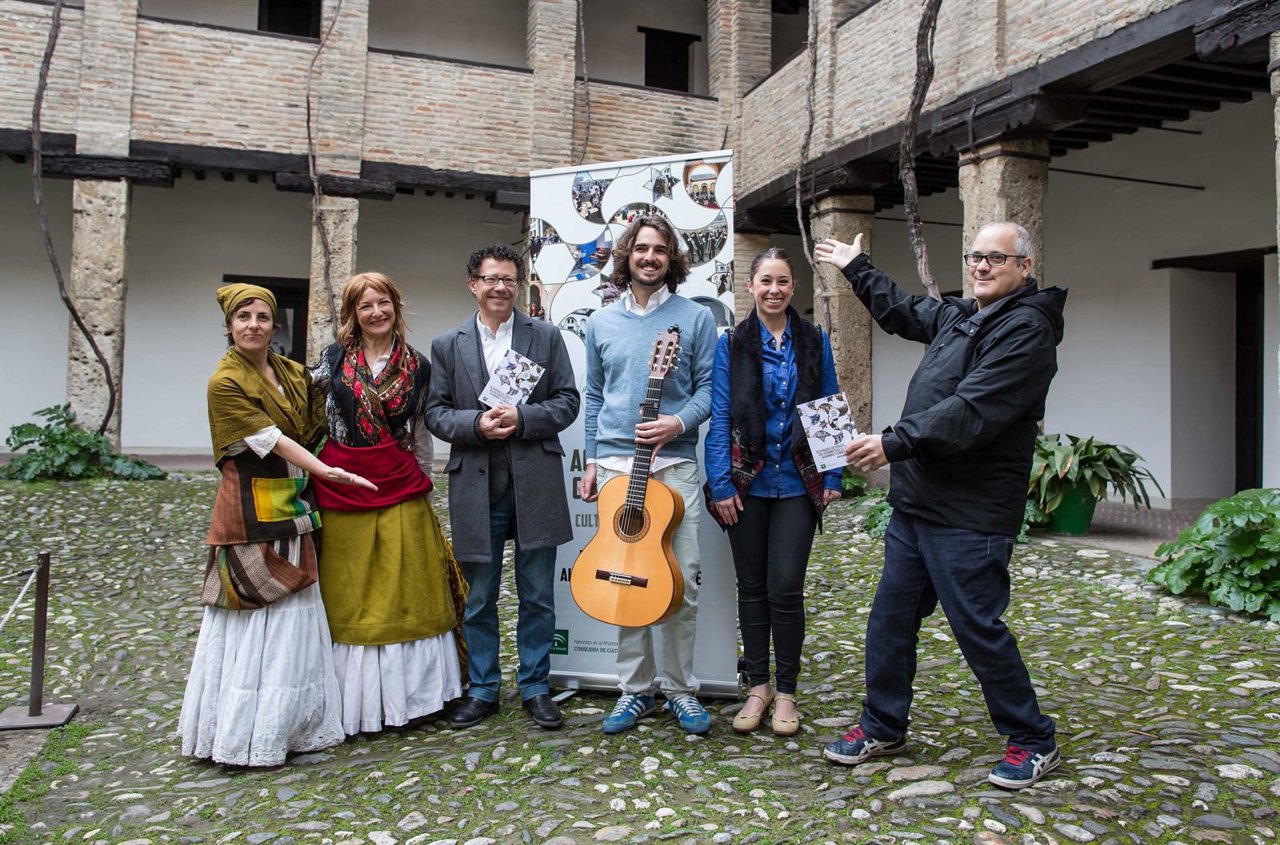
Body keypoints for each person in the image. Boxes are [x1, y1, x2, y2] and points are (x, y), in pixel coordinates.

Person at [814, 222, 1067, 789]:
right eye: (975, 256)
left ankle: (1032, 738)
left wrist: (892, 443)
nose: (980, 266)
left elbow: (971, 411)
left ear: (1025, 267)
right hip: (917, 504)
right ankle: (882, 723)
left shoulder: (1027, 331)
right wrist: (858, 269)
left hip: (970, 512)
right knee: (891, 621)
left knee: (977, 626)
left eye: (995, 258)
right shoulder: (965, 315)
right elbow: (905, 312)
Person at [179, 283, 374, 767]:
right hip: (248, 505)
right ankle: (243, 734)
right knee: (253, 613)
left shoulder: (291, 372)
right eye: (243, 317)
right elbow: (272, 439)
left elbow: (315, 422)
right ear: (228, 326)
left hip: (293, 501)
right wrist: (326, 470)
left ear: (275, 325)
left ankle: (295, 726)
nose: (253, 325)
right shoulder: (224, 382)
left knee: (295, 615)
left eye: (263, 317)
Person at [425, 245, 579, 730]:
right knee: (479, 596)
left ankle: (535, 686)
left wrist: (523, 417)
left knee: (537, 595)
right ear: (473, 284)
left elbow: (568, 401)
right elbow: (435, 412)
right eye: (491, 279)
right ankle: (484, 688)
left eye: (509, 280)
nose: (500, 288)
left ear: (519, 285)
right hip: (476, 481)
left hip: (534, 477)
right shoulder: (448, 344)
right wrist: (476, 425)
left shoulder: (546, 337)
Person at [578, 214, 717, 735]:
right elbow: (594, 396)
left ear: (672, 259)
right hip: (616, 467)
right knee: (623, 583)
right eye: (641, 249)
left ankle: (681, 690)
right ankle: (634, 691)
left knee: (683, 580)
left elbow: (708, 391)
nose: (650, 257)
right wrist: (591, 461)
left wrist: (677, 421)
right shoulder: (601, 322)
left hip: (675, 465)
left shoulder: (696, 318)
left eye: (660, 249)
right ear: (626, 256)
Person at [309, 272, 466, 735]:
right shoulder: (331, 361)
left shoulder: (417, 367)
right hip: (341, 483)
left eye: (383, 303)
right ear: (352, 315)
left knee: (407, 588)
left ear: (396, 307)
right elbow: (310, 419)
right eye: (365, 306)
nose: (376, 313)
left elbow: (419, 430)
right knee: (349, 591)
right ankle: (351, 701)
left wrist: (422, 480)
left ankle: (410, 699)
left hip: (398, 481)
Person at [704, 247, 843, 737]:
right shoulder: (732, 344)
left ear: (793, 288)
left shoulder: (813, 340)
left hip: (798, 481)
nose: (774, 290)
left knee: (786, 586)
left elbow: (828, 405)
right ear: (751, 286)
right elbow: (721, 416)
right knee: (752, 586)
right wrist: (720, 483)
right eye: (765, 281)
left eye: (783, 281)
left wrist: (833, 475)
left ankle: (786, 692)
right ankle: (757, 686)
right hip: (747, 482)